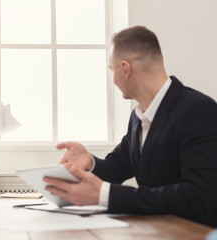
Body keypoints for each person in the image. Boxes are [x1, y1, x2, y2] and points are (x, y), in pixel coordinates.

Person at [44, 26, 217, 227]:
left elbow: (199, 197)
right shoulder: (137, 118)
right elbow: (116, 168)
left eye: (111, 69)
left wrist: (105, 195)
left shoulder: (198, 110)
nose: (113, 78)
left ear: (125, 69)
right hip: (156, 231)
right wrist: (89, 162)